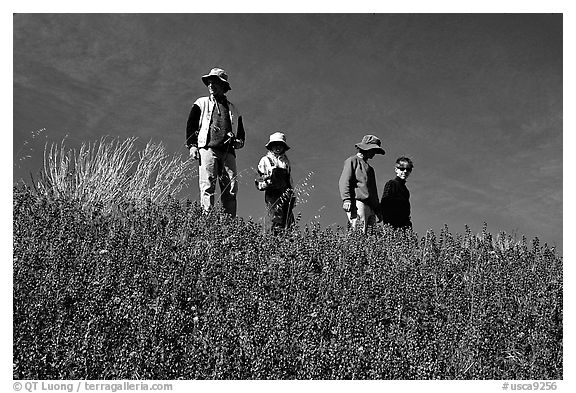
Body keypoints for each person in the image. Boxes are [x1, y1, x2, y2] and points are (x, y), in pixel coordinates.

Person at [185, 67, 245, 217]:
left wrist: (239, 142)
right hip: (207, 149)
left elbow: (241, 133)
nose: (211, 85)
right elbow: (191, 125)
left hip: (228, 152)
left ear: (223, 86)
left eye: (215, 82)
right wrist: (192, 146)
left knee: (231, 187)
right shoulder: (201, 103)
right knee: (207, 185)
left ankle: (229, 223)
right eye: (209, 82)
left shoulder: (233, 109)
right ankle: (207, 220)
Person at [338, 135, 385, 232]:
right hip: (358, 203)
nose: (374, 153)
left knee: (371, 236)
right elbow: (344, 180)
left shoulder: (370, 169)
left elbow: (373, 191)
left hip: (371, 206)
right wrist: (346, 199)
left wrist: (377, 210)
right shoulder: (352, 160)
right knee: (359, 232)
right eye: (373, 150)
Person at [257, 132, 296, 234]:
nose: (278, 147)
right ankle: (273, 242)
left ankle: (287, 242)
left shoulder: (286, 161)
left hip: (286, 193)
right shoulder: (265, 160)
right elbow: (259, 179)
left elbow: (289, 178)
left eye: (280, 145)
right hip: (273, 194)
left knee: (288, 219)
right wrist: (265, 184)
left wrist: (293, 194)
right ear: (271, 146)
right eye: (275, 144)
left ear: (283, 147)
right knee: (274, 218)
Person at [380, 157, 414, 229]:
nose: (405, 171)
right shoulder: (392, 184)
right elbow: (384, 205)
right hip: (393, 225)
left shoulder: (405, 190)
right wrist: (388, 225)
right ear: (396, 170)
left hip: (404, 226)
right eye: (402, 169)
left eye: (408, 169)